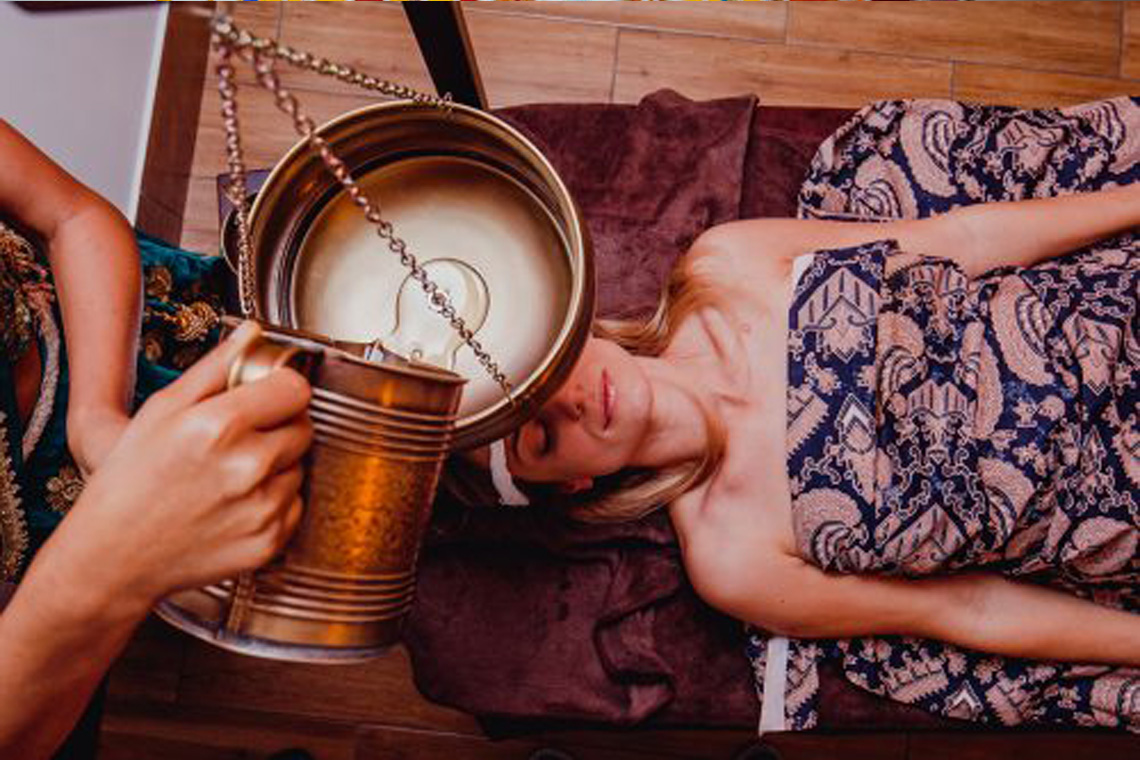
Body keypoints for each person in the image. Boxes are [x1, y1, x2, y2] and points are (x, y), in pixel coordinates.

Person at [457, 150, 1140, 669]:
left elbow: (965, 241)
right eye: (540, 438)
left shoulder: (723, 267)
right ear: (573, 483)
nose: (569, 402)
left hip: (1102, 325)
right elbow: (966, 607)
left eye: (545, 377)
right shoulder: (730, 559)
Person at [0, 120, 312, 759]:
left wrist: (95, 420)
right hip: (48, 551)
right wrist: (111, 565)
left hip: (103, 327)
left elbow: (70, 215)